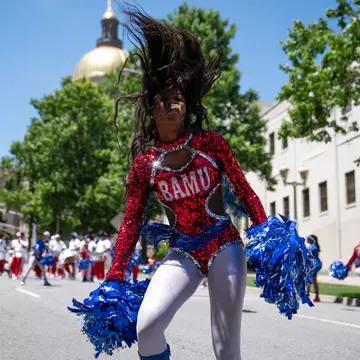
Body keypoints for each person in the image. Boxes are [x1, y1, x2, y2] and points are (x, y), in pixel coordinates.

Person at [69, 8, 313, 360]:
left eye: (179, 96)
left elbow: (244, 191)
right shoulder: (144, 166)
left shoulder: (211, 145)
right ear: (151, 109)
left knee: (225, 348)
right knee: (148, 327)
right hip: (182, 251)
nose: (173, 102)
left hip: (223, 245)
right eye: (164, 97)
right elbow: (130, 224)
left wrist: (267, 235)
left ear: (188, 105)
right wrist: (115, 276)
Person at [306, 235, 322, 302]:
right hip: (316, 264)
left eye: (307, 238)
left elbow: (306, 251)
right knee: (314, 281)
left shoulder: (313, 246)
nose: (306, 240)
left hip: (314, 265)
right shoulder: (314, 245)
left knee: (309, 279)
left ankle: (307, 295)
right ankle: (317, 296)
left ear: (311, 239)